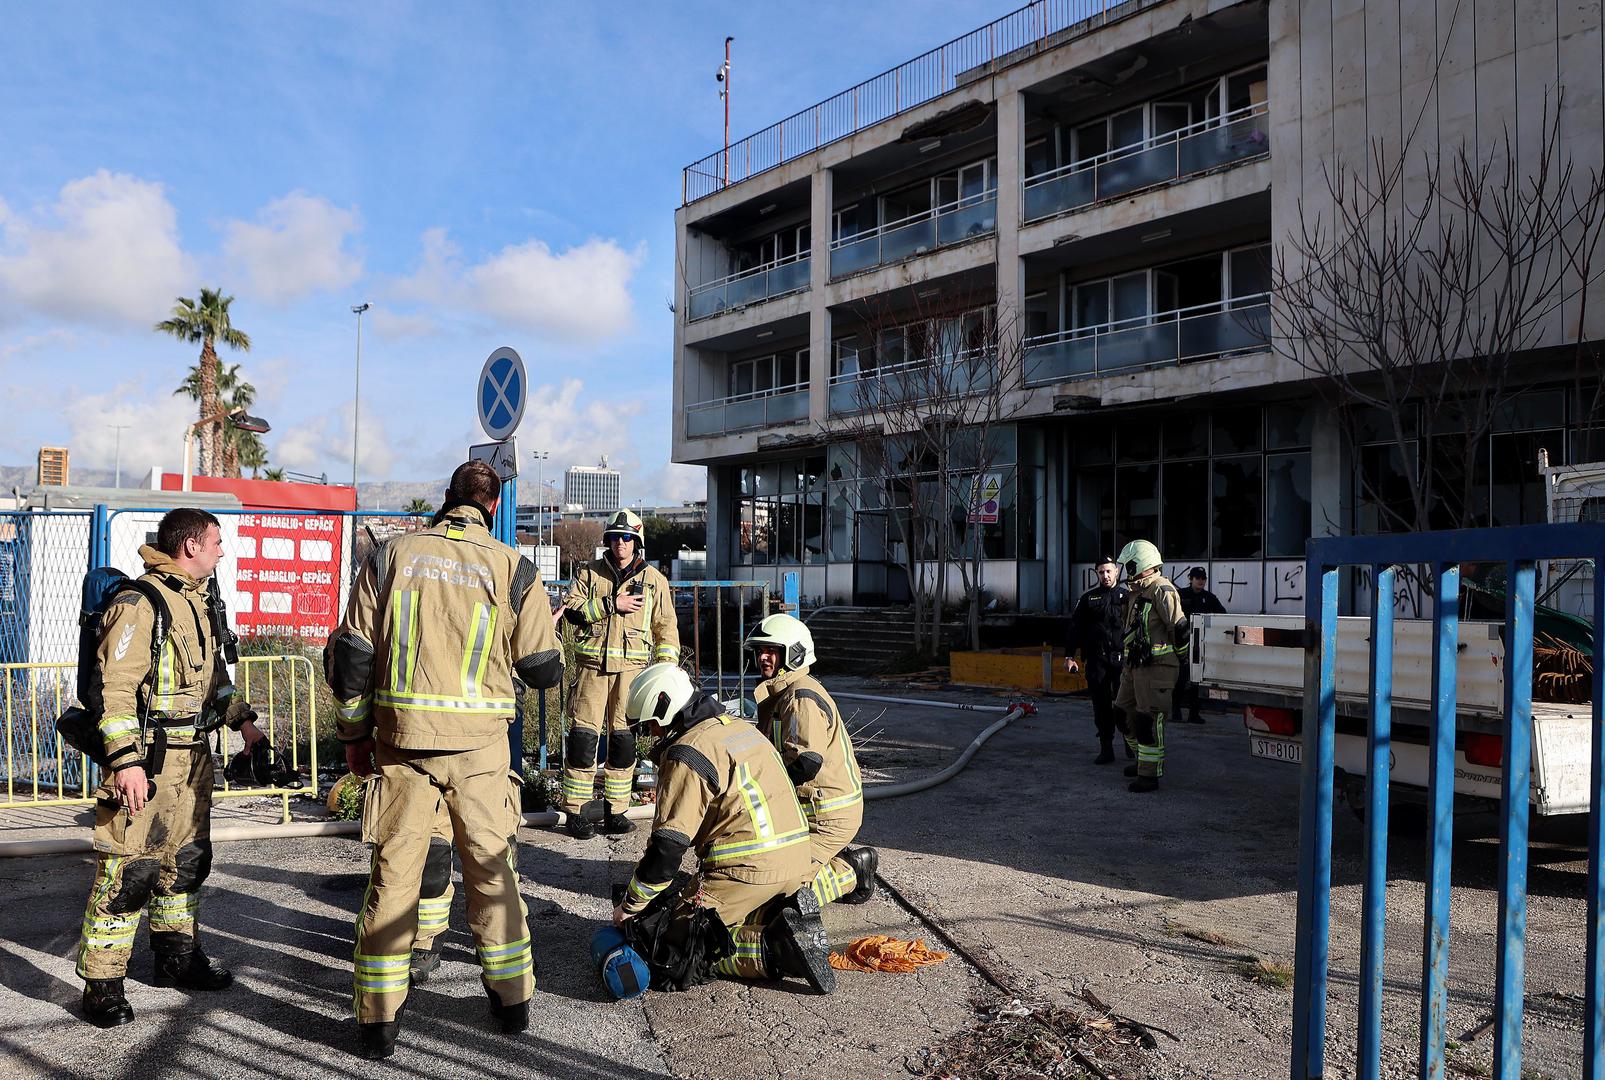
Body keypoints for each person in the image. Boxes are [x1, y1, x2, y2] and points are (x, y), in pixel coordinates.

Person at [327, 460, 563, 1060]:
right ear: (493, 506)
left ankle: (378, 1023)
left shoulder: (391, 557)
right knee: (491, 874)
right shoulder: (515, 568)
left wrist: (355, 734)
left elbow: (352, 657)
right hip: (480, 751)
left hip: (402, 745)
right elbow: (542, 670)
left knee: (395, 879)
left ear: (447, 498)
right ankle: (512, 1005)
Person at [75, 508, 265, 1028]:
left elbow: (213, 680)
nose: (221, 551)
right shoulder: (140, 604)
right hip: (149, 763)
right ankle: (102, 985)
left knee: (183, 865)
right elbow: (114, 690)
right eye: (216, 542)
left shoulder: (198, 603)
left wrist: (244, 722)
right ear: (189, 546)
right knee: (128, 871)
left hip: (194, 761)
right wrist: (126, 763)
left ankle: (176, 960)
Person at [610, 664, 835, 995]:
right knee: (693, 911)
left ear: (664, 708)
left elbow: (667, 850)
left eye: (650, 728)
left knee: (667, 948)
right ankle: (771, 913)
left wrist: (631, 907)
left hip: (748, 871)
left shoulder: (688, 753)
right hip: (799, 860)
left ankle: (776, 948)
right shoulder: (737, 727)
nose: (652, 737)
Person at [560, 509, 679, 839]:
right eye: (614, 537)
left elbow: (666, 630)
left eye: (626, 538)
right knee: (583, 741)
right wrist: (611, 603)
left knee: (623, 744)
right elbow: (571, 610)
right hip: (591, 672)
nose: (619, 544)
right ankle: (576, 811)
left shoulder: (655, 582)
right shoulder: (589, 574)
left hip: (631, 675)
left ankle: (617, 810)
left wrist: (665, 671)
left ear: (637, 541)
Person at [745, 614, 877, 907]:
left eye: (772, 651)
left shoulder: (800, 697)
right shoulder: (782, 694)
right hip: (807, 813)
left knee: (786, 894)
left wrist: (762, 792)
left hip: (827, 818)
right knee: (762, 874)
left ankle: (852, 870)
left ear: (793, 653)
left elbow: (806, 762)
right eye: (760, 651)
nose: (763, 657)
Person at [1112, 540, 1188, 794]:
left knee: (1147, 720)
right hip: (1134, 667)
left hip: (1158, 668)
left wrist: (1183, 662)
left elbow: (1179, 628)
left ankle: (1149, 774)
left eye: (1128, 565)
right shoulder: (1137, 591)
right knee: (1122, 714)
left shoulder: (1162, 589)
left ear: (1141, 564)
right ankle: (1141, 759)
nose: (1124, 570)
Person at [1065, 556, 1131, 765]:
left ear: (1117, 572)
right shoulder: (1088, 599)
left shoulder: (1128, 597)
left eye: (1109, 571)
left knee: (1126, 704)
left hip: (1123, 660)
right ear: (1097, 574)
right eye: (1101, 572)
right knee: (1101, 705)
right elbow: (1075, 628)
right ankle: (1106, 748)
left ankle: (1131, 743)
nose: (1105, 576)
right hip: (1097, 660)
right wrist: (1069, 656)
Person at [1177, 567, 1226, 724]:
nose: (1201, 581)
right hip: (1182, 643)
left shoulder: (1209, 598)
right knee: (1180, 678)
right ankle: (1175, 710)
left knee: (1196, 681)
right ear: (1190, 578)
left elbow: (1222, 615)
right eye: (1197, 577)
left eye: (1203, 578)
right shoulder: (1181, 595)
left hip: (1200, 645)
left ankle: (1194, 714)